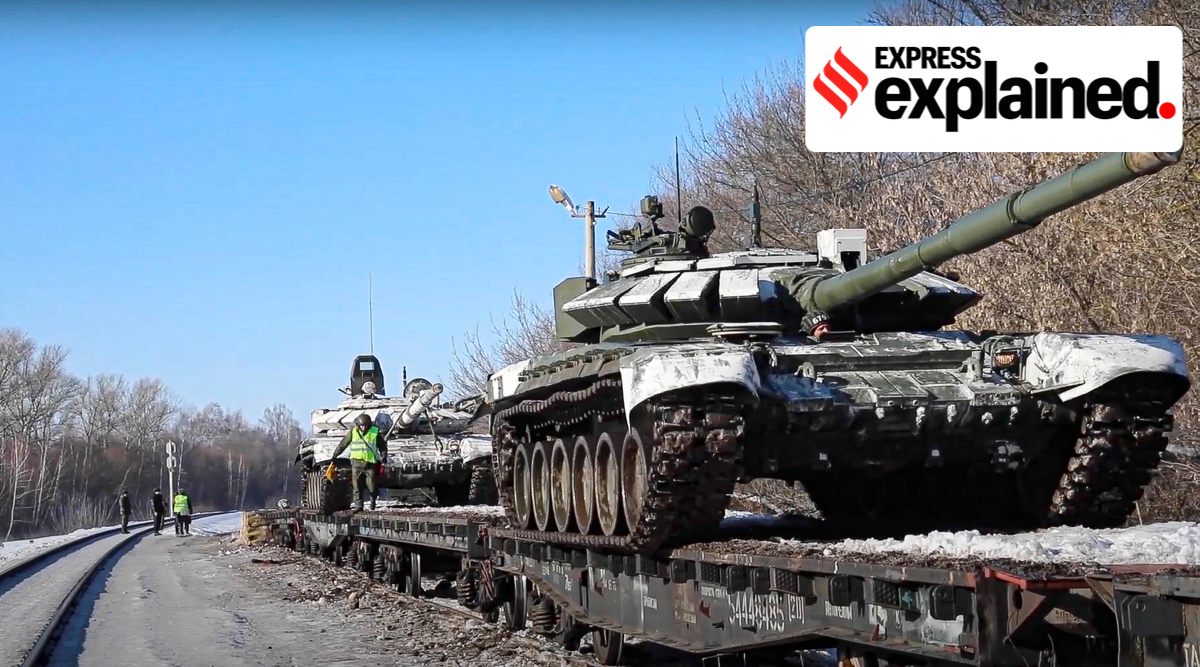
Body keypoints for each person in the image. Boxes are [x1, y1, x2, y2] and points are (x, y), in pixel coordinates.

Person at [329, 412, 388, 512]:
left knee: (372, 485)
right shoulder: (353, 432)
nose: (363, 427)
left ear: (369, 425)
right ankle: (358, 506)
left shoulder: (374, 432)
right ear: (358, 425)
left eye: (365, 426)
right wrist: (335, 455)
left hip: (370, 463)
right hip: (356, 463)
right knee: (356, 486)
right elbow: (343, 444)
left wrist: (383, 456)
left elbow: (382, 446)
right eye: (361, 425)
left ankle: (373, 499)